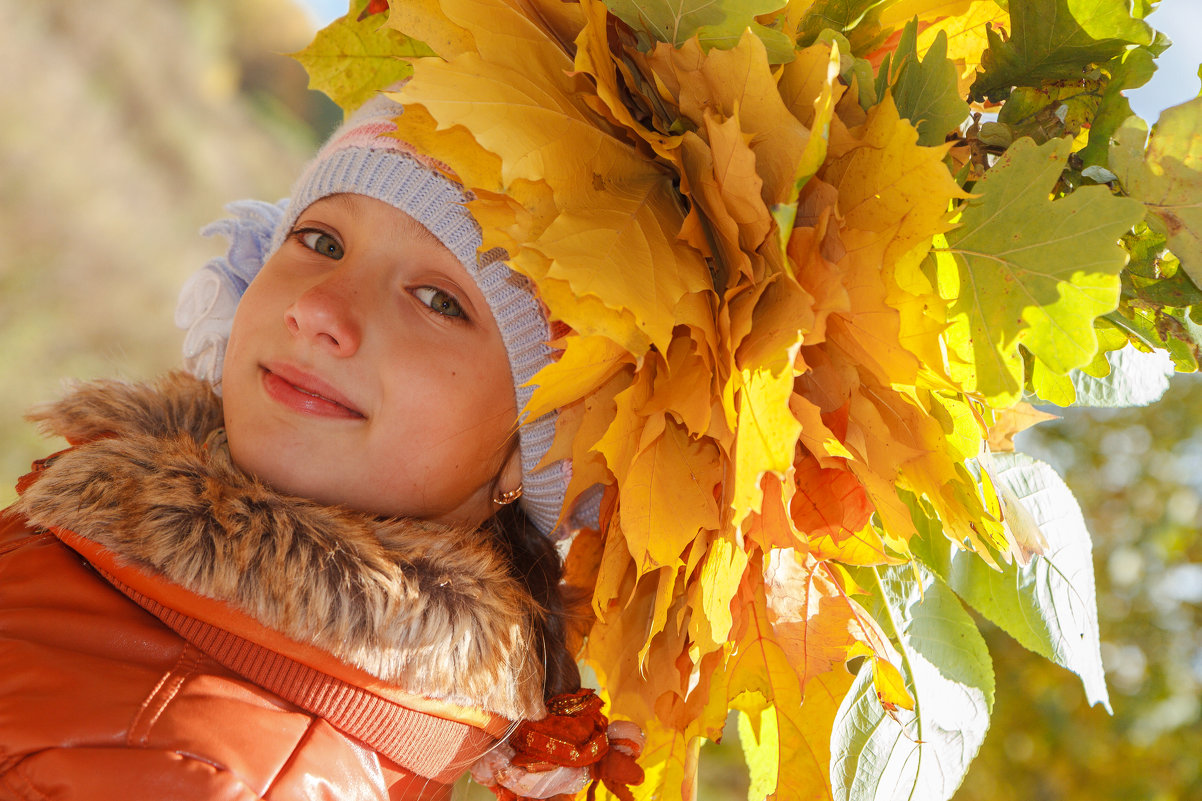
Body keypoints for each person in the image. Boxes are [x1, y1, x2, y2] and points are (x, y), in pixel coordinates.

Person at [0, 93, 642, 799]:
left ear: (528, 454)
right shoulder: (113, 556)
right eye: (322, 241)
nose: (319, 310)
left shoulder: (215, 776)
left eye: (438, 300)